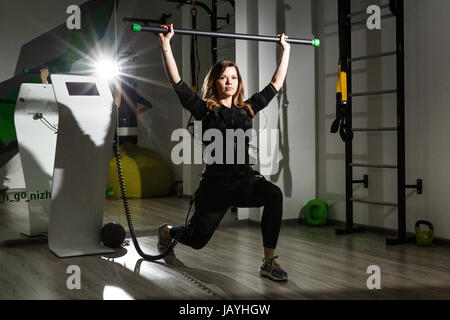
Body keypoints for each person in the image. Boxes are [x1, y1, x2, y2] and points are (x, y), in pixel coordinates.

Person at [157, 24, 290, 281]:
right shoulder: (204, 109)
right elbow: (177, 82)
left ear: (239, 82)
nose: (229, 82)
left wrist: (285, 50)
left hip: (244, 180)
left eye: (234, 77)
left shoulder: (247, 109)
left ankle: (269, 261)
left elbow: (275, 84)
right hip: (215, 187)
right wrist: (165, 44)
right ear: (215, 82)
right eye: (223, 77)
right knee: (196, 241)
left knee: (274, 195)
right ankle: (167, 232)